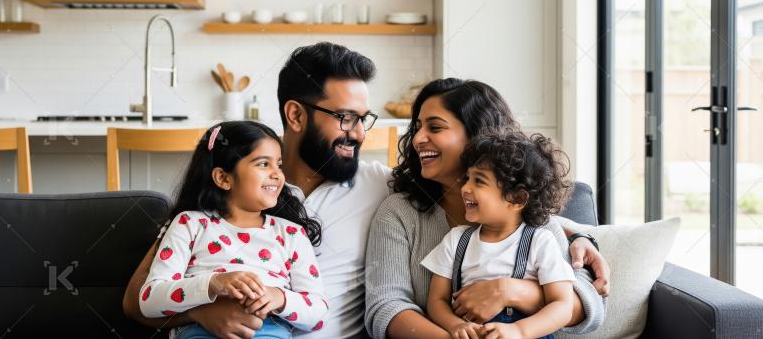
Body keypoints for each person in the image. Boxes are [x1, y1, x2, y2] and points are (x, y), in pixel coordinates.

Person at [124, 43, 609, 338]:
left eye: (364, 118)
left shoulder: (379, 186)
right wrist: (203, 313)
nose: (358, 132)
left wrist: (578, 237)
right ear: (295, 115)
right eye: (345, 118)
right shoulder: (237, 185)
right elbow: (137, 300)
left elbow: (517, 211)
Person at [365, 78, 606, 339]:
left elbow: (589, 302)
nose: (417, 139)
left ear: (477, 135)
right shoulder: (400, 213)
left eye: (435, 127)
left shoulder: (532, 221)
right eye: (417, 127)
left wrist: (509, 291)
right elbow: (386, 307)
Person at [138, 121, 327, 338]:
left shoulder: (291, 234)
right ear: (223, 178)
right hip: (198, 332)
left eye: (279, 164)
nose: (277, 174)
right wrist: (213, 284)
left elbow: (319, 314)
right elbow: (149, 300)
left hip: (269, 331)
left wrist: (279, 297)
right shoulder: (189, 224)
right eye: (263, 164)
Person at [423, 130, 577, 339]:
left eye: (479, 181)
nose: (465, 188)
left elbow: (562, 305)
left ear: (517, 199)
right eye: (468, 178)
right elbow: (436, 300)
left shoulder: (540, 241)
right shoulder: (456, 239)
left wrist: (519, 331)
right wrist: (455, 325)